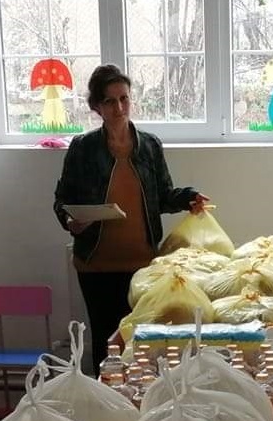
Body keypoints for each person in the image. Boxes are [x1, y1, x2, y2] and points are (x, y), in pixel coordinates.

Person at [53, 63, 210, 372]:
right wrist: (71, 222)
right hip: (96, 266)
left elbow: (162, 196)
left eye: (124, 98)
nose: (119, 107)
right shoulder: (83, 148)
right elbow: (63, 200)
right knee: (107, 343)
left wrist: (189, 197)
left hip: (143, 267)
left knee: (144, 344)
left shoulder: (149, 145)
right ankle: (107, 399)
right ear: (97, 107)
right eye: (110, 101)